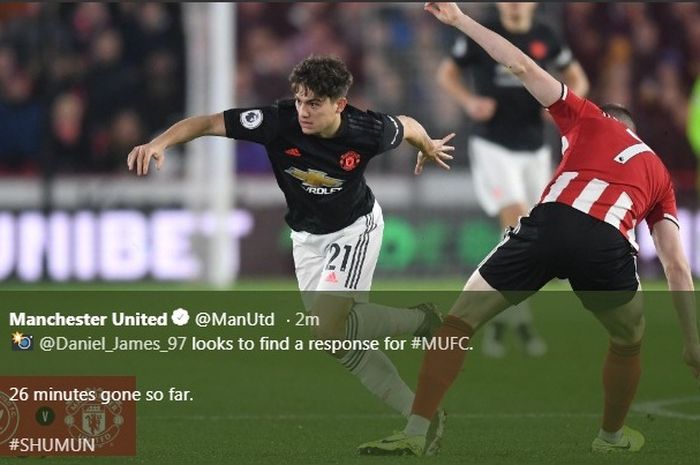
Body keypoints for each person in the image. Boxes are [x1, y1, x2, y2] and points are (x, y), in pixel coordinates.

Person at [358, 3, 700, 456]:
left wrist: (459, 20)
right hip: (606, 242)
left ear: (606, 118)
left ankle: (416, 431)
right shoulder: (660, 174)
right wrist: (693, 344)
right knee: (627, 338)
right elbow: (677, 265)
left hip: (548, 221)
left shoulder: (586, 117)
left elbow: (518, 63)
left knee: (459, 321)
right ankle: (611, 437)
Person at [127, 55, 454, 455]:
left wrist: (428, 145)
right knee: (337, 340)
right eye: (300, 100)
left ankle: (424, 320)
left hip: (354, 230)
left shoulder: (366, 129)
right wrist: (158, 142)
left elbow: (409, 126)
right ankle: (423, 415)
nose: (303, 111)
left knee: (328, 325)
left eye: (314, 103)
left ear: (339, 104)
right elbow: (208, 123)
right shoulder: (277, 121)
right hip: (305, 237)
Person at [437, 2, 589, 358]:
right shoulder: (483, 31)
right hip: (492, 144)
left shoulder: (545, 35)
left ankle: (506, 319)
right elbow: (446, 74)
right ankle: (517, 319)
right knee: (517, 216)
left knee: (527, 234)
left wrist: (563, 106)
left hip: (534, 148)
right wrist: (469, 102)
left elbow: (578, 77)